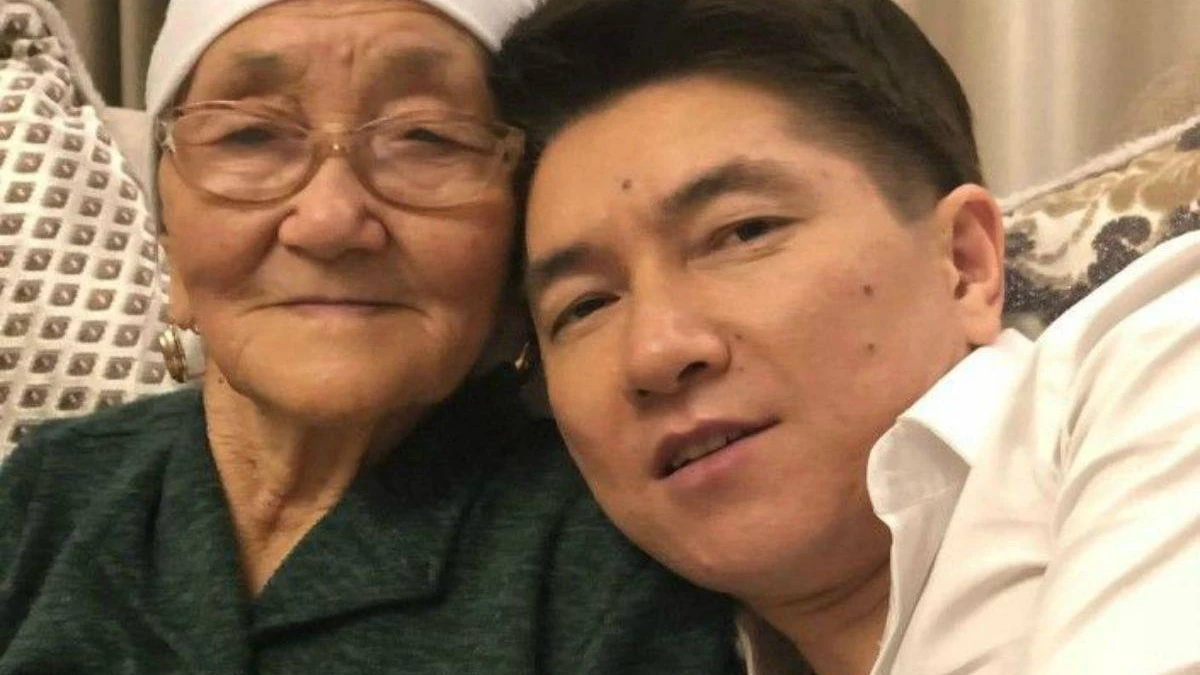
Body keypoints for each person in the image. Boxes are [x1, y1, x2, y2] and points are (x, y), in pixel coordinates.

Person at [0, 1, 742, 672]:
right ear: (170, 240)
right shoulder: (52, 489)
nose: (329, 221)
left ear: (521, 242)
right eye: (251, 134)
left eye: (426, 138)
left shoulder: (610, 557)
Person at [493, 0, 1200, 673]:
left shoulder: (1155, 371)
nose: (655, 352)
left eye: (744, 232)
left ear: (965, 263)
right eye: (583, 306)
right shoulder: (643, 636)